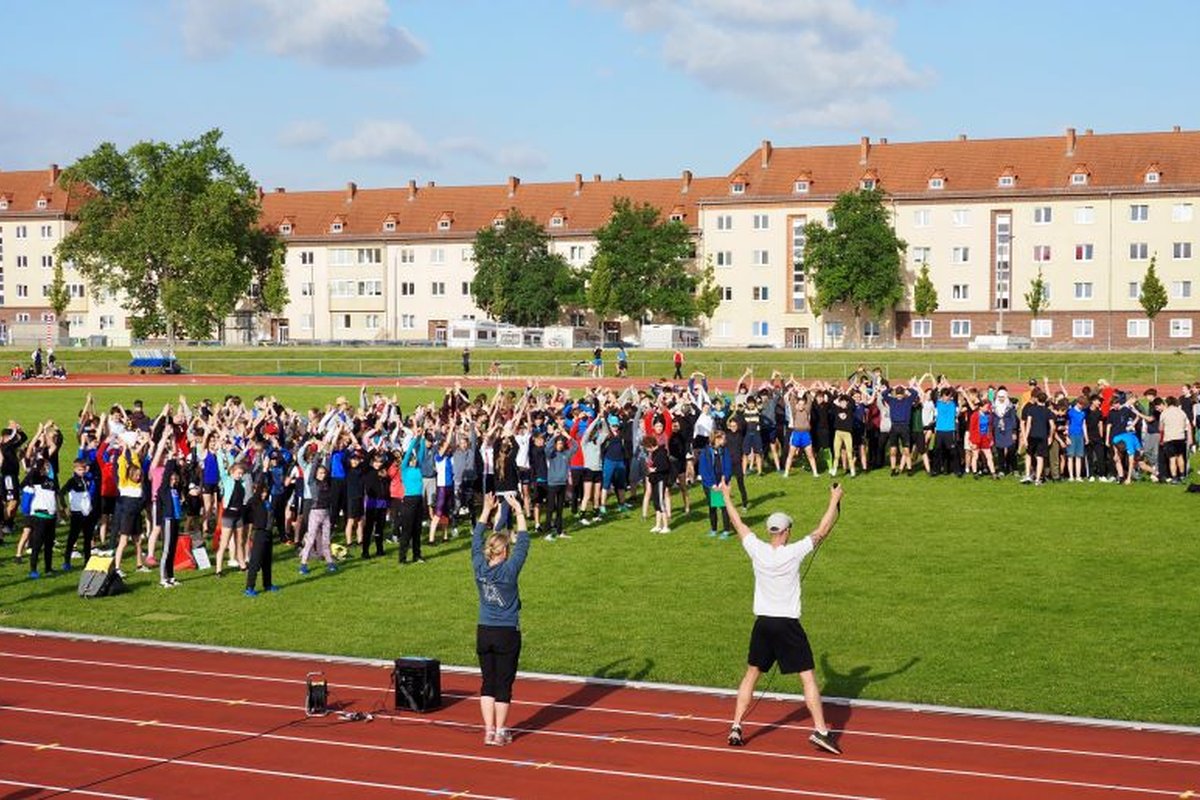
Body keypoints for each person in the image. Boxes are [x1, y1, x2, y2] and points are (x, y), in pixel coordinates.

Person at [723, 482, 844, 755]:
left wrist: (727, 497)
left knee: (752, 674)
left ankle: (736, 726)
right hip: (787, 624)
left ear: (770, 531)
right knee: (808, 678)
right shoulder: (794, 551)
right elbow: (822, 531)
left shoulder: (756, 549)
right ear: (786, 532)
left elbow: (737, 523)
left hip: (762, 623)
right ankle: (822, 731)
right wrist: (834, 500)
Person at [471, 493, 530, 747]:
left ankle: (488, 730)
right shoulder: (509, 569)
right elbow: (525, 542)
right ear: (505, 551)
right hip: (507, 631)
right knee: (504, 684)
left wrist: (485, 511)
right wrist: (518, 510)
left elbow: (475, 540)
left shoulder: (478, 566)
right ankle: (500, 730)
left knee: (488, 682)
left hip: (484, 629)